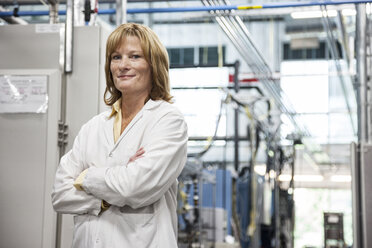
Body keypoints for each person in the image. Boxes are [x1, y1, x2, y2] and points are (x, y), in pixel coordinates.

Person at [51, 23, 188, 248]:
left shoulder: (167, 120)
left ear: (154, 65)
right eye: (116, 57)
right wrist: (114, 188)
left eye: (134, 57)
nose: (123, 65)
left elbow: (135, 187)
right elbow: (60, 195)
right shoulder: (93, 127)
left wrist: (86, 177)